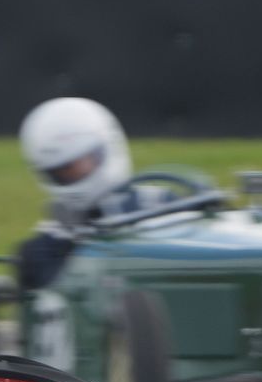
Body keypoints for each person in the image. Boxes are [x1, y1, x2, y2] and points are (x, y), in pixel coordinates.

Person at [14, 98, 166, 292]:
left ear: (108, 147)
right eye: (62, 172)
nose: (73, 174)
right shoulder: (49, 245)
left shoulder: (161, 202)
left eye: (82, 164)